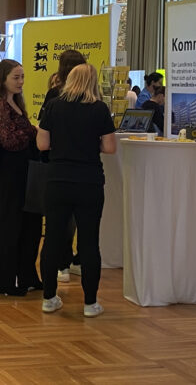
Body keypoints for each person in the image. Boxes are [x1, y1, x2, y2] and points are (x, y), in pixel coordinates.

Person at [36, 63, 117, 318]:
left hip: (57, 179)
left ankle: (49, 298)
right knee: (89, 241)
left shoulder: (53, 106)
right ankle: (90, 303)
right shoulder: (99, 109)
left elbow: (42, 144)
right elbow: (110, 147)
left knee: (52, 239)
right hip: (89, 181)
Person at [0, 59, 43, 296]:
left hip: (24, 171)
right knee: (9, 225)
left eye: (22, 77)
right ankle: (3, 279)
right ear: (3, 79)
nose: (21, 82)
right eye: (16, 77)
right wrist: (30, 132)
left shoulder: (16, 102)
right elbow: (9, 140)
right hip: (8, 173)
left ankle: (27, 275)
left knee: (30, 225)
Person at [42, 49, 85, 283]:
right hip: (84, 167)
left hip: (57, 163)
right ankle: (71, 260)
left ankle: (62, 263)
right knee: (77, 218)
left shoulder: (54, 97)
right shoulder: (92, 99)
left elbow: (43, 136)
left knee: (59, 219)